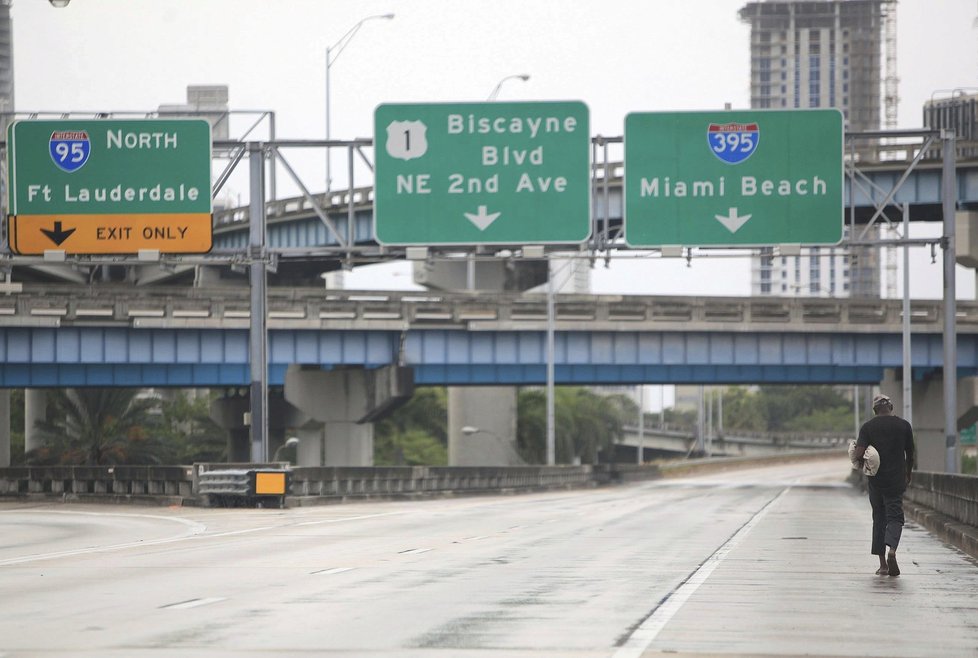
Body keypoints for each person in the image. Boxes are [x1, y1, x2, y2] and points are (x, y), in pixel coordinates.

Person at [853, 393, 916, 576]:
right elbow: (910, 454)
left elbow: (858, 454)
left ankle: (883, 565)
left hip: (876, 481)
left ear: (875, 410)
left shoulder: (868, 427)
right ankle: (892, 551)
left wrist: (856, 451)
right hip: (896, 480)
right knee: (895, 517)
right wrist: (908, 474)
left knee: (879, 519)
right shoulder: (904, 426)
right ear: (891, 407)